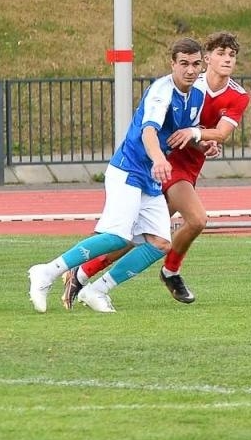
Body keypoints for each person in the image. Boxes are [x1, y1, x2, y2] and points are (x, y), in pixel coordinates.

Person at [64, 32, 250, 308]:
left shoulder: (237, 95)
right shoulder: (188, 81)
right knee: (196, 219)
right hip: (165, 164)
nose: (226, 59)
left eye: (231, 55)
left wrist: (201, 139)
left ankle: (81, 274)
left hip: (189, 166)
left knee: (140, 235)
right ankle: (170, 271)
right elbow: (160, 123)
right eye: (221, 53)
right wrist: (193, 136)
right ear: (207, 58)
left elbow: (219, 133)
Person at [27, 37, 207, 314]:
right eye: (183, 63)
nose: (190, 70)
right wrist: (159, 158)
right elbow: (149, 131)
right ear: (172, 64)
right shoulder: (162, 91)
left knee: (160, 243)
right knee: (118, 237)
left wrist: (203, 142)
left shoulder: (197, 95)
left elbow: (177, 134)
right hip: (129, 170)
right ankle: (47, 272)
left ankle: (97, 290)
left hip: (149, 178)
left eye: (196, 64)